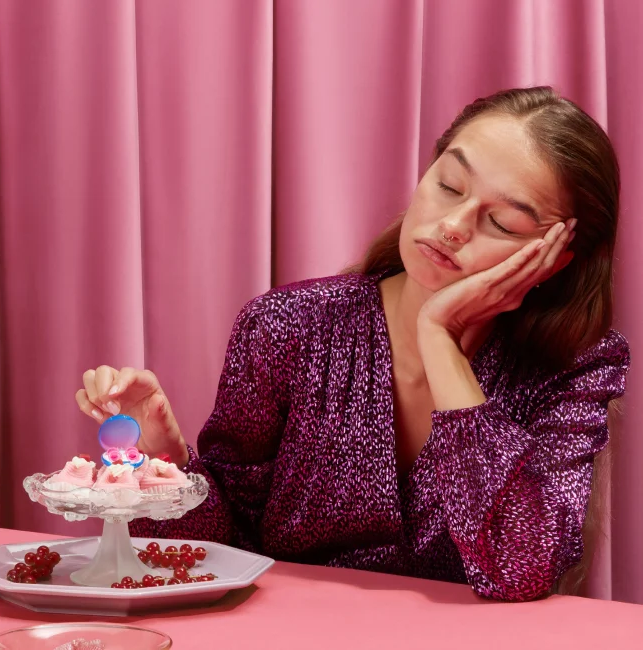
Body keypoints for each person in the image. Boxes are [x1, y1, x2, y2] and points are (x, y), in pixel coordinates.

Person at [76, 87, 630, 602]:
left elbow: (522, 569)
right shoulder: (288, 327)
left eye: (504, 222)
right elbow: (225, 546)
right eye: (449, 186)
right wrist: (164, 461)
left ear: (554, 262)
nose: (455, 225)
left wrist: (439, 342)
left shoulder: (575, 368)